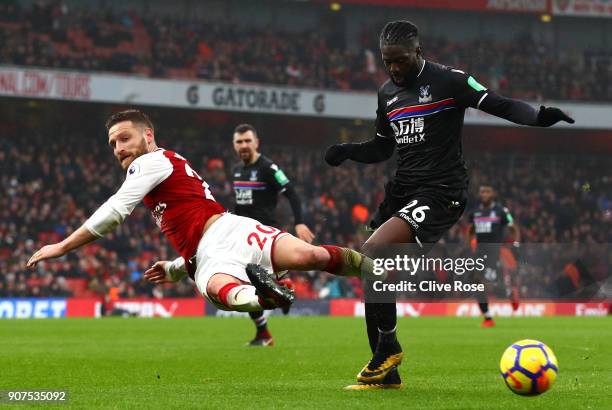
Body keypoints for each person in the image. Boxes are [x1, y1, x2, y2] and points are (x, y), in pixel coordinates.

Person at [324, 20, 574, 390]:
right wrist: (348, 151)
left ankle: (388, 347)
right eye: (387, 61)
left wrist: (538, 117)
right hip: (405, 191)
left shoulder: (450, 81)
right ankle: (387, 372)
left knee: (373, 252)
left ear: (418, 52)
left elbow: (498, 103)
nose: (394, 68)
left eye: (401, 60)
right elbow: (383, 147)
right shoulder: (386, 93)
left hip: (443, 192)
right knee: (370, 268)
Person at [27, 110, 375, 316]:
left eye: (124, 138)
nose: (118, 149)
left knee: (221, 291)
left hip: (214, 247)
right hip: (228, 230)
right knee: (310, 255)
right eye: (113, 144)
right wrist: (177, 268)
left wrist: (62, 247)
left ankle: (264, 296)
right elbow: (191, 225)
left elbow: (116, 210)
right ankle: (372, 270)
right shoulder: (166, 165)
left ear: (148, 135)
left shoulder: (150, 162)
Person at [231, 123, 315, 346]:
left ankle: (280, 292)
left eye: (248, 141)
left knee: (247, 282)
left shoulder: (269, 168)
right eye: (240, 142)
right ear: (234, 145)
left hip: (265, 234)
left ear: (256, 142)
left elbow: (292, 194)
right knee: (246, 285)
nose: (244, 145)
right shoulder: (237, 170)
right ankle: (282, 290)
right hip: (243, 235)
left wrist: (299, 222)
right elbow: (241, 206)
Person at [467, 184, 521, 327]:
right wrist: (470, 246)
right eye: (482, 191)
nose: (484, 194)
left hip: (494, 253)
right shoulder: (475, 213)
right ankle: (488, 317)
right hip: (479, 253)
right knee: (476, 283)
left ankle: (509, 293)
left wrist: (515, 244)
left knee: (489, 284)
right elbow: (470, 230)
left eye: (487, 191)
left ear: (493, 194)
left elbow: (513, 227)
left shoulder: (501, 211)